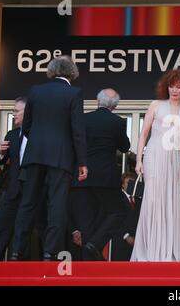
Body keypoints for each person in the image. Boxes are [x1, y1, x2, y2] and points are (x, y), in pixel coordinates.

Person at [10, 55, 88, 261]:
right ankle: (49, 252)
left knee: (28, 203)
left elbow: (25, 126)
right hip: (61, 158)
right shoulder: (74, 93)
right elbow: (77, 131)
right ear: (72, 72)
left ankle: (17, 251)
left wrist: (37, 143)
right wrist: (82, 161)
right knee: (57, 204)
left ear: (51, 70)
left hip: (34, 155)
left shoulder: (36, 91)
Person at [131, 69, 180, 262]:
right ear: (166, 87)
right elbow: (143, 134)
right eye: (171, 86)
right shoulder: (156, 105)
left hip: (175, 157)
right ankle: (150, 251)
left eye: (178, 87)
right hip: (155, 154)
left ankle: (168, 252)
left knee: (171, 202)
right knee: (153, 200)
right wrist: (138, 160)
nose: (174, 90)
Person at [70, 88, 130, 260]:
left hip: (82, 177)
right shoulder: (117, 122)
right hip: (105, 178)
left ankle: (87, 264)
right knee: (118, 211)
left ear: (98, 101)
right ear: (115, 106)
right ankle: (95, 244)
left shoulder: (83, 119)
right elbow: (125, 147)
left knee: (86, 222)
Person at [0, 98, 28, 261]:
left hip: (32, 192)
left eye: (16, 111)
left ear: (27, 112)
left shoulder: (39, 135)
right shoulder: (12, 134)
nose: (13, 114)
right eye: (12, 111)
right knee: (2, 230)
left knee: (27, 231)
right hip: (11, 191)